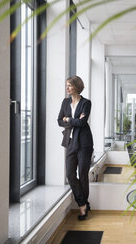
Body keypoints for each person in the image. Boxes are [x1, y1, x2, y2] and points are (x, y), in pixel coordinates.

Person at [57, 75, 94, 221]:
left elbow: (82, 123)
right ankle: (83, 202)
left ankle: (82, 208)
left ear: (77, 87)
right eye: (66, 85)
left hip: (84, 143)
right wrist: (73, 120)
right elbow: (59, 120)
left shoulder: (86, 103)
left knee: (83, 174)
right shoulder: (65, 102)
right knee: (70, 174)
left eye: (70, 85)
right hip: (71, 142)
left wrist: (69, 119)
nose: (67, 88)